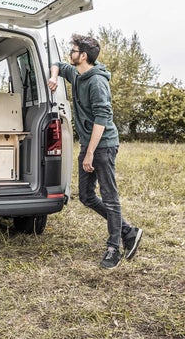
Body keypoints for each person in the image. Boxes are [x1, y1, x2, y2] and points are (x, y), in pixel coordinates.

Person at [48, 34, 143, 269]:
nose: (70, 53)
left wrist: (90, 153)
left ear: (84, 56)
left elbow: (102, 118)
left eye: (73, 50)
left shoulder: (97, 82)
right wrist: (53, 77)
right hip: (90, 144)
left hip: (104, 145)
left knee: (110, 198)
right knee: (86, 196)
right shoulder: (77, 74)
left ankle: (114, 248)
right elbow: (58, 65)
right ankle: (128, 231)